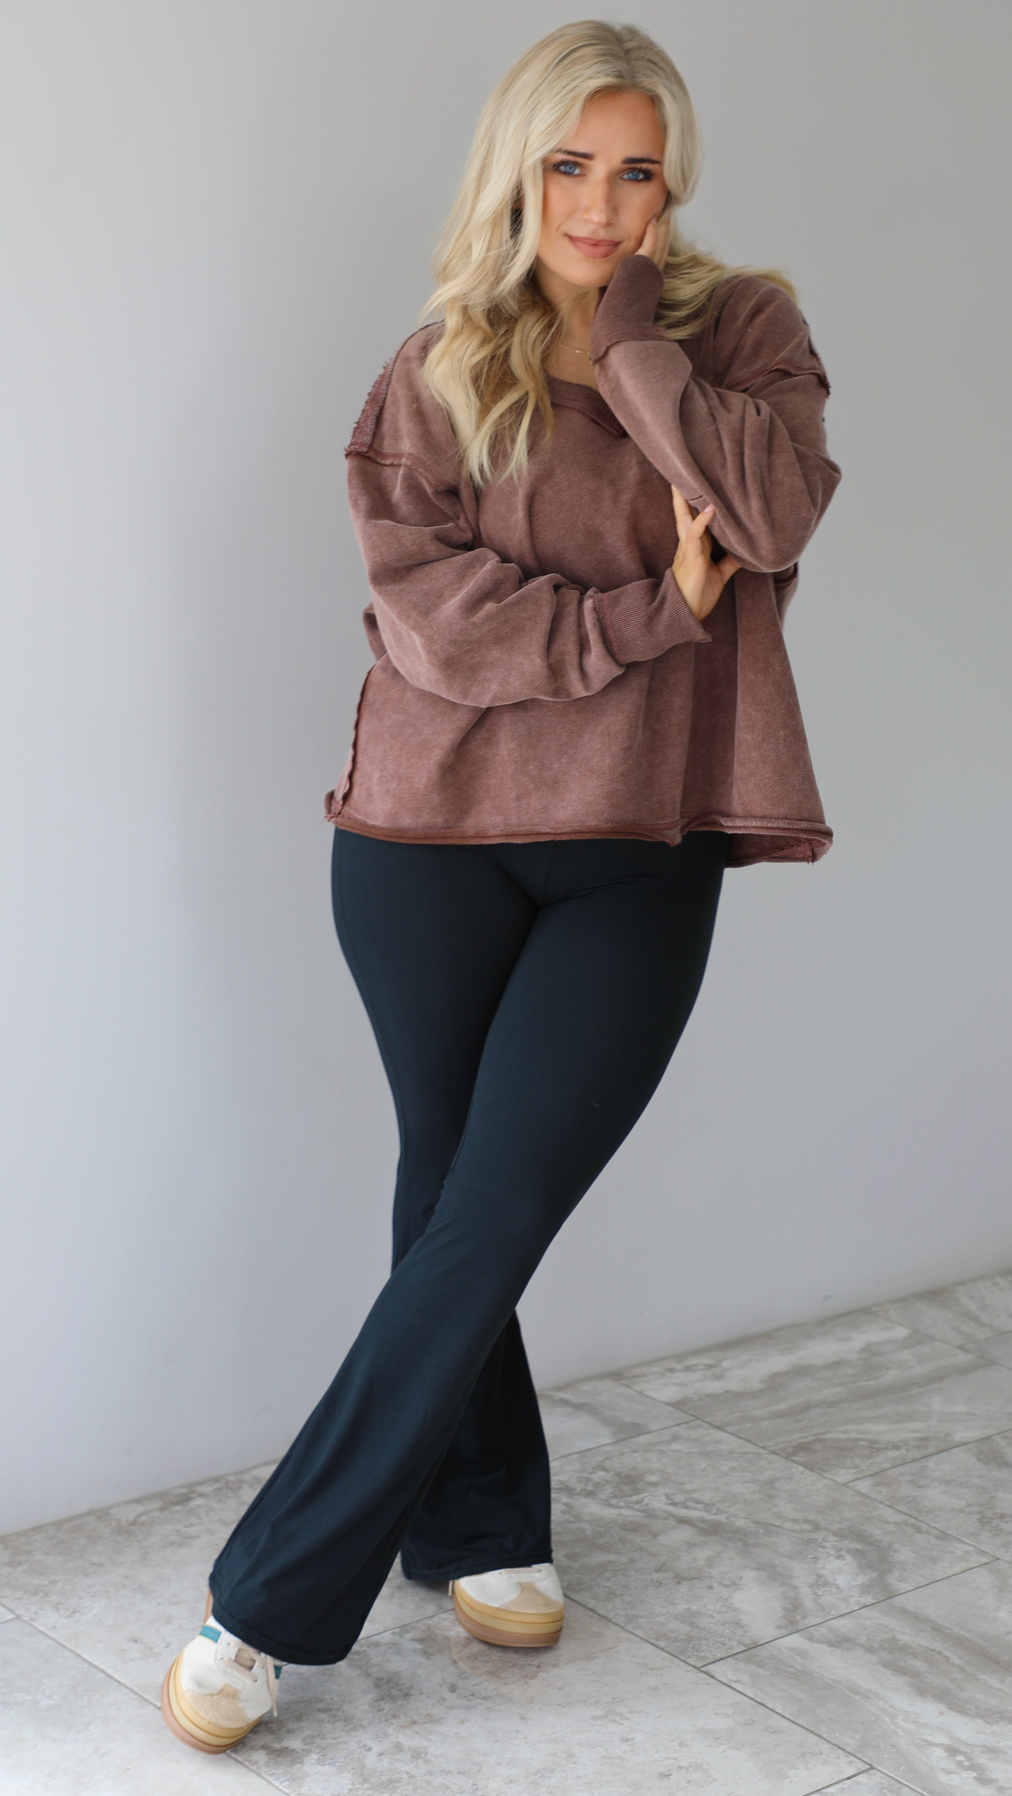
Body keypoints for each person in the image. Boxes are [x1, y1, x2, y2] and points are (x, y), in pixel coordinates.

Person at [160, 17, 840, 1754]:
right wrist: (653, 614)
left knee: (496, 1201)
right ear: (516, 168)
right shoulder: (438, 363)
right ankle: (482, 1524)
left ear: (673, 181)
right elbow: (436, 625)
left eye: (637, 170)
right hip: (419, 843)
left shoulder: (738, 333)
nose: (603, 203)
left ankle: (263, 1602)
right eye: (569, 164)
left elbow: (769, 517)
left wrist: (636, 345)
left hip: (640, 845)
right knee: (456, 1197)